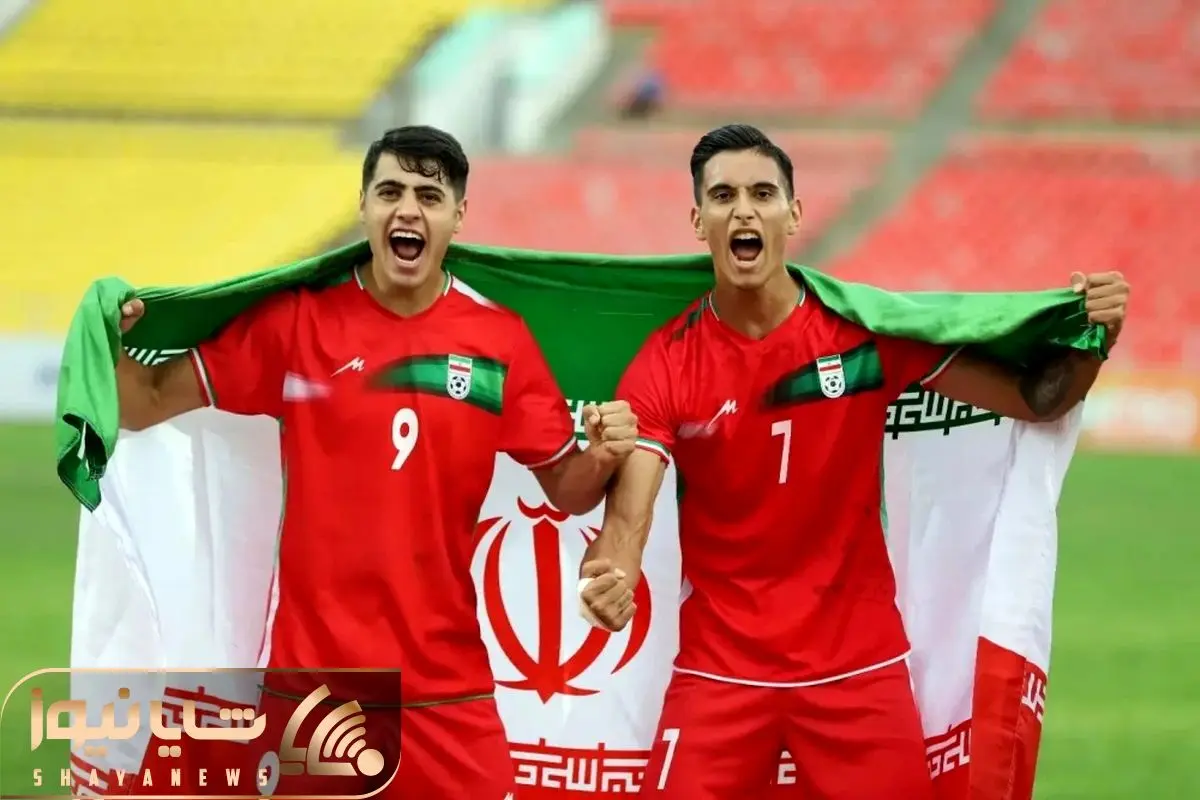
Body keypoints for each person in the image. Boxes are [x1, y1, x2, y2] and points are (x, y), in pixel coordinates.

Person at [578, 124, 1129, 799]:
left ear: (794, 214)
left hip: (857, 672)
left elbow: (1035, 400)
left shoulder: (863, 334)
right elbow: (627, 523)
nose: (744, 210)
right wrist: (610, 578)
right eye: (723, 196)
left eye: (762, 194)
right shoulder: (668, 361)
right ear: (699, 221)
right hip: (719, 674)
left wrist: (1093, 338)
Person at [115, 125, 638, 799]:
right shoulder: (298, 325)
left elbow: (567, 489)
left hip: (446, 692)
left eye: (429, 195)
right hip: (314, 695)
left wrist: (600, 457)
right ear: (363, 206)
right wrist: (105, 333)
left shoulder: (498, 342)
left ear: (458, 216)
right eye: (390, 192)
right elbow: (146, 400)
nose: (407, 209)